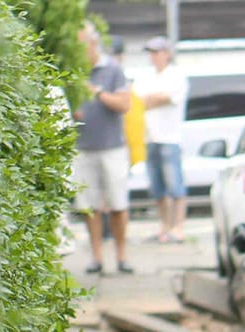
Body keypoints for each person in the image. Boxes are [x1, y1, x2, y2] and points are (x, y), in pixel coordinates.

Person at [73, 22, 132, 274]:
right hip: (83, 147)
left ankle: (121, 256)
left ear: (93, 42)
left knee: (118, 204)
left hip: (111, 147)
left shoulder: (113, 69)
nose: (78, 48)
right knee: (89, 205)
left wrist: (97, 93)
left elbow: (124, 104)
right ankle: (96, 257)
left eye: (81, 43)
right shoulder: (73, 70)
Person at [136, 35, 189, 245]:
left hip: (170, 138)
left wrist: (151, 99)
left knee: (175, 185)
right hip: (149, 137)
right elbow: (139, 100)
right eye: (151, 53)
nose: (153, 57)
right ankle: (165, 227)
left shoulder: (176, 76)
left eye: (157, 52)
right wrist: (153, 99)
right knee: (157, 187)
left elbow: (165, 97)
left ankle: (179, 227)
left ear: (167, 54)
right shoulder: (145, 76)